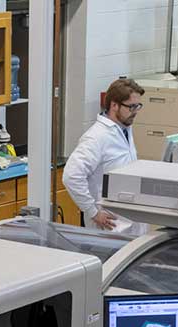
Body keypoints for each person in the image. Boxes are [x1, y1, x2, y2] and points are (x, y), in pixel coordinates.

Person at [63, 78, 146, 234]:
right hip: (110, 228)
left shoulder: (125, 129)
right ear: (114, 105)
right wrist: (92, 212)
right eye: (131, 107)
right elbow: (71, 176)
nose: (135, 111)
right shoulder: (96, 137)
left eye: (138, 106)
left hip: (129, 223)